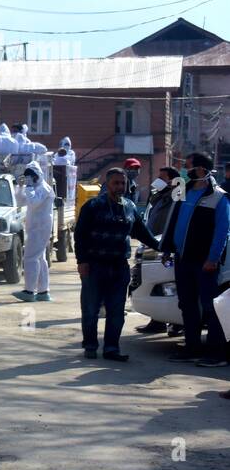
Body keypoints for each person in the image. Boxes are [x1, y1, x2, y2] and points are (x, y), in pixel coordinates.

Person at [75, 167, 161, 360]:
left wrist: (162, 246)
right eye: (116, 183)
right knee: (90, 309)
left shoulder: (129, 206)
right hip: (95, 266)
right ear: (107, 184)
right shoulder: (93, 206)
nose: (120, 186)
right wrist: (82, 261)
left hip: (119, 267)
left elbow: (142, 232)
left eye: (123, 183)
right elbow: (80, 236)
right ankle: (90, 345)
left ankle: (111, 348)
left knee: (116, 310)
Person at [160, 152, 230, 367]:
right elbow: (172, 219)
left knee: (211, 307)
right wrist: (167, 247)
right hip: (183, 259)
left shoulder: (218, 197)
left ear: (200, 170)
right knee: (187, 305)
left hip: (204, 263)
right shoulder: (183, 190)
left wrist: (213, 258)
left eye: (187, 167)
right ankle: (192, 348)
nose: (184, 170)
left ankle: (217, 354)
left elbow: (222, 232)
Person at [135, 167, 183, 335]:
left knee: (169, 283)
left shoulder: (178, 192)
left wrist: (175, 185)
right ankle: (158, 320)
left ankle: (178, 323)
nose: (158, 179)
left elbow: (179, 205)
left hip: (168, 245)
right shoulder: (160, 195)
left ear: (171, 179)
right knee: (155, 280)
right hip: (155, 243)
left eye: (161, 177)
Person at [13, 163, 56, 303]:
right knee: (39, 259)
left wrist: (29, 187)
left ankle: (29, 291)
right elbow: (20, 201)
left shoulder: (43, 188)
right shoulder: (35, 187)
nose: (29, 179)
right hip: (36, 228)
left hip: (40, 228)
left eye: (31, 176)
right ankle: (43, 291)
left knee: (30, 258)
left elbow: (34, 202)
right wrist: (20, 187)